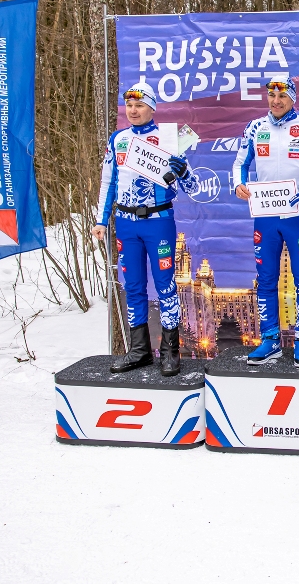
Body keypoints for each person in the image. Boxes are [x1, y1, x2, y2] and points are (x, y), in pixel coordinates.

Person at [92, 82, 199, 377]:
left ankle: (170, 351)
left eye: (140, 106)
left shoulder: (168, 138)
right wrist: (102, 220)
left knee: (165, 285)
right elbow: (108, 182)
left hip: (158, 221)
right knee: (134, 286)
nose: (134, 111)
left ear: (152, 108)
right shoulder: (118, 139)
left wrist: (183, 171)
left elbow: (192, 187)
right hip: (126, 223)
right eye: (129, 106)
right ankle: (139, 350)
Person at [232, 74, 299, 368]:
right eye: (272, 96)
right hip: (265, 218)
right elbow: (240, 164)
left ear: (292, 99)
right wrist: (239, 184)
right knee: (266, 280)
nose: (276, 101)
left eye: (283, 96)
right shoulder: (255, 128)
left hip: (297, 219)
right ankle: (270, 340)